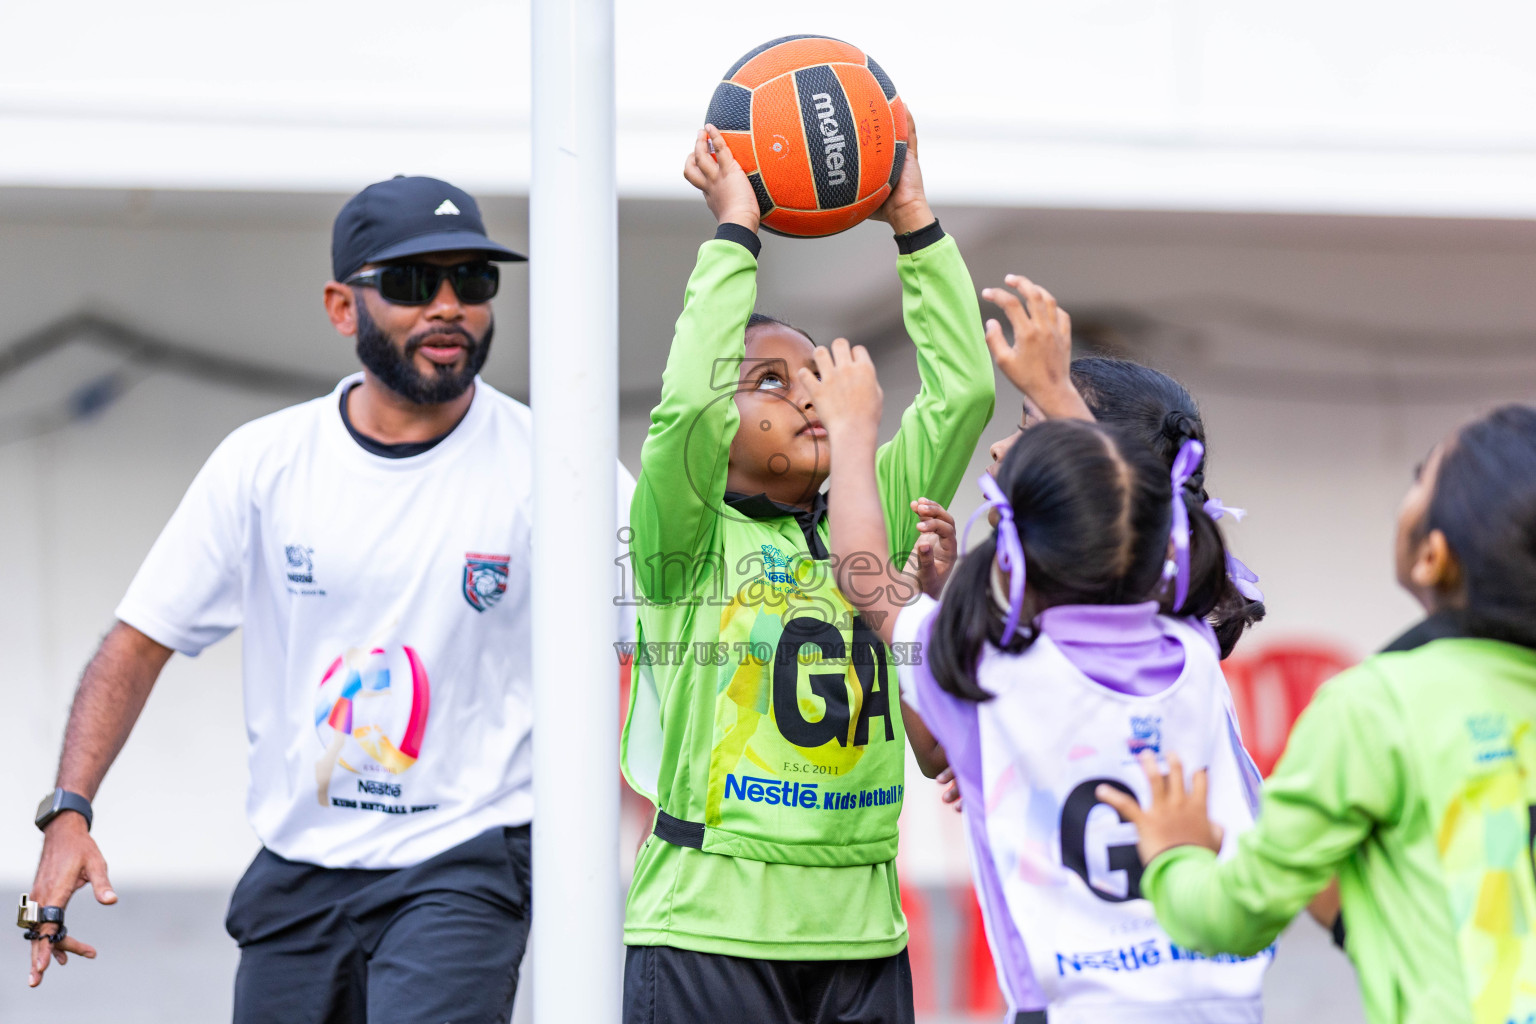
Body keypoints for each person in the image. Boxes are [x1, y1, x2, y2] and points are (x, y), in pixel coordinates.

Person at [22, 175, 634, 1024]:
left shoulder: (559, 465)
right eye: (416, 284)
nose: (450, 306)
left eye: (475, 281)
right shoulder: (264, 463)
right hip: (299, 867)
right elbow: (137, 641)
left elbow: (651, 635)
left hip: (463, 859)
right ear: (343, 307)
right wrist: (69, 815)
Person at [618, 122, 994, 1024]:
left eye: (813, 374)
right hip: (711, 927)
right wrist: (736, 232)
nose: (806, 395)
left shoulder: (868, 507)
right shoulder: (685, 537)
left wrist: (913, 221)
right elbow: (683, 412)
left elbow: (963, 394)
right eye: (769, 382)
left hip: (861, 931)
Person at [800, 312, 1271, 1021]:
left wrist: (853, 435)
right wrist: (1053, 391)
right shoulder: (1192, 649)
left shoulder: (992, 669)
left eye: (1027, 428)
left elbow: (863, 576)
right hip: (1224, 1003)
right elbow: (1128, 525)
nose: (998, 449)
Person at [1102, 404, 1536, 1024]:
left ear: (1432, 556)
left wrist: (1177, 858)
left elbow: (1235, 916)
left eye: (1420, 477)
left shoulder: (1377, 706)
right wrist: (1277, 853)